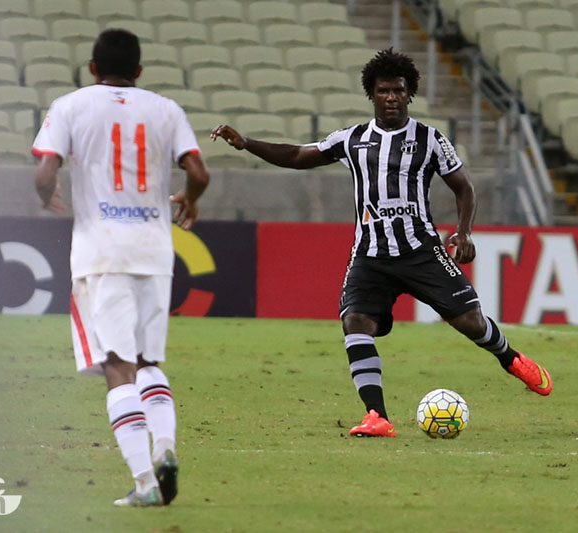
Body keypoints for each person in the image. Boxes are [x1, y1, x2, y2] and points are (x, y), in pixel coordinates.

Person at [211, 48, 551, 438]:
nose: (391, 97)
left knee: (470, 322)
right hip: (370, 256)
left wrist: (464, 231)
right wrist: (247, 143)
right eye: (383, 90)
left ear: (410, 94)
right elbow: (298, 155)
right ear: (371, 94)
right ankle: (377, 416)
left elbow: (464, 188)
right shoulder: (352, 139)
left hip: (422, 251)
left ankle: (511, 358)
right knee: (355, 322)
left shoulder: (430, 139)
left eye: (398, 90)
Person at [32, 29, 209, 504]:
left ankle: (146, 483)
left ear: (92, 68)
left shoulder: (70, 106)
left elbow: (45, 172)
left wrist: (47, 195)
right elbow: (198, 172)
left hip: (101, 251)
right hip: (154, 250)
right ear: (139, 71)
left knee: (117, 365)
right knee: (148, 362)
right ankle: (165, 444)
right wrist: (190, 199)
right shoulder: (166, 109)